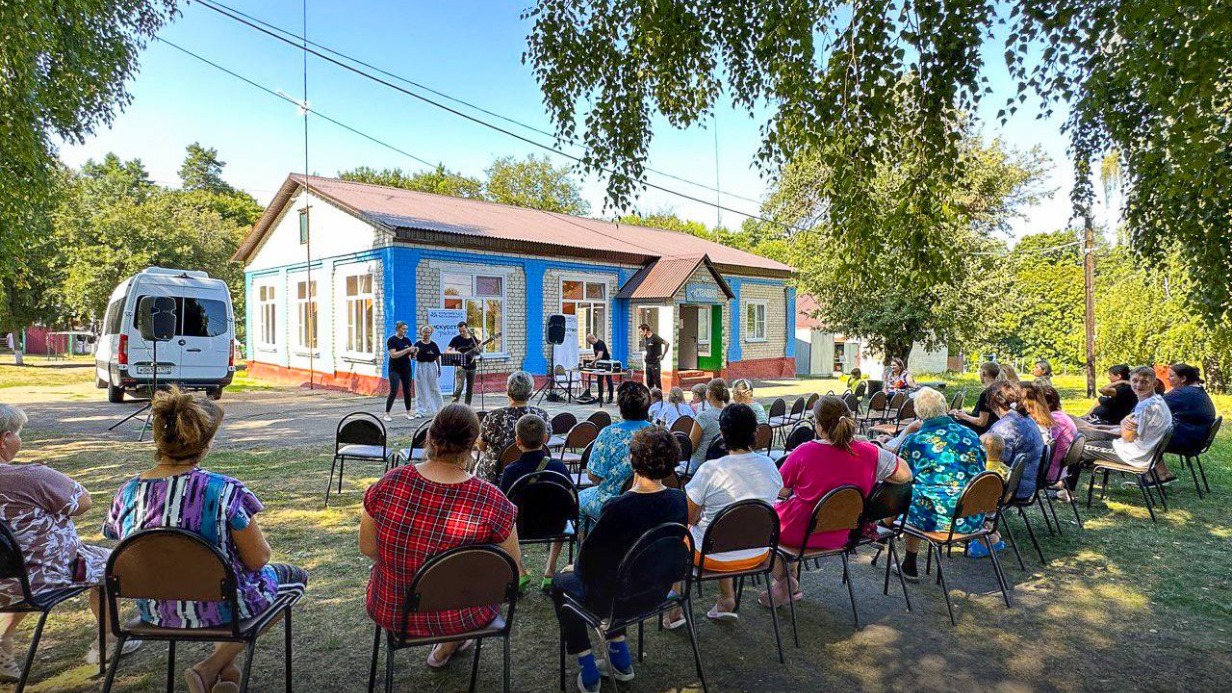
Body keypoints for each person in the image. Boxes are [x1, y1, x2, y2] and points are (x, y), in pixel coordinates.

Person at [105, 388, 306, 693]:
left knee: (226, 585)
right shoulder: (224, 491)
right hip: (221, 608)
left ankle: (228, 674)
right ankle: (210, 668)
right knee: (291, 579)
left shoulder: (127, 493)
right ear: (206, 443)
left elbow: (120, 542)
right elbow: (258, 560)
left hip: (157, 610)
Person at [361, 405, 522, 669]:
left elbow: (368, 548)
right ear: (473, 443)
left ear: (430, 436)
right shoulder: (492, 500)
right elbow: (510, 570)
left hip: (394, 607)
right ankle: (449, 644)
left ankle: (446, 647)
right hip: (463, 616)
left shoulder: (390, 482)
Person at [0, 405, 141, 682]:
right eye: (18, 433)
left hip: (7, 580)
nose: (19, 439)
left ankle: (2, 641)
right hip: (38, 579)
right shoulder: (30, 477)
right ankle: (110, 639)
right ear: (5, 439)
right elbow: (83, 502)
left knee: (16, 565)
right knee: (110, 564)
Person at [550, 427, 687, 693]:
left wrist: (573, 568)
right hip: (656, 592)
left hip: (618, 599)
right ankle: (620, 658)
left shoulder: (618, 507)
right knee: (613, 578)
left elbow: (588, 565)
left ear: (632, 460)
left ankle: (588, 669)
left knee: (560, 584)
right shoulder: (679, 500)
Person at [760, 396, 912, 605]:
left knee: (760, 528)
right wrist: (877, 455)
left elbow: (780, 490)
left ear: (819, 425)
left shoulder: (804, 451)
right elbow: (906, 474)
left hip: (800, 530)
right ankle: (788, 583)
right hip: (841, 533)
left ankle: (786, 580)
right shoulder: (870, 452)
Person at [668, 404, 781, 622]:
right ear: (755, 431)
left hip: (711, 557)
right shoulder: (769, 466)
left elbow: (689, 518)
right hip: (758, 552)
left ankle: (675, 611)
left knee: (678, 536)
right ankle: (726, 598)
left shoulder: (710, 470)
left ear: (722, 433)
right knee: (723, 528)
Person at [885, 387, 986, 582]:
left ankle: (909, 562)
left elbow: (901, 476)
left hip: (937, 517)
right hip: (972, 515)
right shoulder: (971, 435)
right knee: (920, 491)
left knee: (908, 492)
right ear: (946, 407)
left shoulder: (916, 441)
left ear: (918, 415)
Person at [499, 414, 572, 592]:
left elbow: (504, 505)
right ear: (545, 438)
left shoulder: (510, 471)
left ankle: (519, 570)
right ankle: (550, 570)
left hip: (520, 527)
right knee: (561, 514)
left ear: (517, 441)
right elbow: (570, 500)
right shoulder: (559, 467)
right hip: (556, 525)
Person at [1079, 366, 1174, 484]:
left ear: (1154, 384)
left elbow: (1127, 436)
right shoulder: (1155, 401)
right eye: (1135, 381)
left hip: (1132, 455)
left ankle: (1064, 487)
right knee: (1082, 434)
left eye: (1144, 382)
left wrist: (1123, 423)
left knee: (1077, 447)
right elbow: (1132, 430)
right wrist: (1098, 427)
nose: (1138, 385)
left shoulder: (1147, 407)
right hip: (1134, 449)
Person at [578, 382, 655, 522]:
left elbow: (594, 476)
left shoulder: (609, 433)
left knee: (577, 500)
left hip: (614, 501)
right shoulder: (658, 433)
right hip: (650, 500)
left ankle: (589, 537)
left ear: (620, 406)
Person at [476, 371, 551, 484]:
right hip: (534, 474)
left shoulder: (494, 416)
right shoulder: (542, 415)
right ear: (531, 391)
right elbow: (544, 442)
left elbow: (482, 446)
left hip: (496, 477)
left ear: (508, 390)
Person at [984, 380, 1045, 506]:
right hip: (1027, 483)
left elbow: (989, 461)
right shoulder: (1026, 419)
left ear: (995, 402)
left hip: (1013, 489)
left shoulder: (1005, 428)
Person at [1163, 363, 1217, 457]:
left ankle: (1154, 465)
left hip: (1187, 442)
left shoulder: (1183, 393)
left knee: (1144, 435)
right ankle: (1156, 465)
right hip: (1196, 439)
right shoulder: (1197, 390)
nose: (1168, 378)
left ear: (1183, 378)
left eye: (1171, 376)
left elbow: (1153, 406)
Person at [1038, 384, 1078, 499]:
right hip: (1059, 469)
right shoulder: (1060, 416)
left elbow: (1043, 446)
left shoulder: (1055, 419)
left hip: (1049, 472)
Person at [686, 379, 730, 475]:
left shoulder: (703, 416)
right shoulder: (732, 413)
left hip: (701, 465)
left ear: (709, 394)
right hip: (725, 462)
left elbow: (691, 447)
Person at [951, 361, 1001, 435]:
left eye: (980, 372)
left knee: (950, 420)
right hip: (994, 426)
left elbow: (982, 422)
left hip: (983, 431)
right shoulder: (999, 389)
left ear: (983, 373)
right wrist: (964, 413)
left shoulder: (986, 394)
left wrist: (964, 416)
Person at [385, 321, 416, 421]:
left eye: (406, 329)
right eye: (403, 329)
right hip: (394, 369)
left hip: (406, 369)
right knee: (394, 390)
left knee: (407, 390)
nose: (405, 331)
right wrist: (407, 350)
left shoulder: (407, 340)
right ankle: (387, 414)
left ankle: (408, 412)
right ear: (398, 329)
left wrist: (415, 352)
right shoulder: (391, 340)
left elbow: (412, 357)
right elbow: (393, 355)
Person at [412, 324, 443, 418]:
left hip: (431, 367)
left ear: (431, 333)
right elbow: (412, 357)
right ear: (421, 333)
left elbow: (437, 357)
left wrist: (439, 368)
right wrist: (414, 353)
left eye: (428, 332)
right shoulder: (417, 344)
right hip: (420, 366)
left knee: (434, 387)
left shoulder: (433, 345)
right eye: (424, 332)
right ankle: (420, 411)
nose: (426, 334)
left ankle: (438, 409)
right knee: (420, 388)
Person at [446, 322, 480, 405]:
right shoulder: (456, 339)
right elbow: (447, 351)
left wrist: (478, 349)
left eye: (463, 331)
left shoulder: (473, 338)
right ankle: (454, 405)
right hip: (461, 366)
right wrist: (456, 353)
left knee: (470, 389)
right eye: (460, 331)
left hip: (472, 366)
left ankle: (467, 406)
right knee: (459, 388)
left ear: (467, 329)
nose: (461, 333)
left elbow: (478, 352)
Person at [583, 334, 615, 405]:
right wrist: (594, 363)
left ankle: (611, 397)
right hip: (600, 364)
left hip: (607, 364)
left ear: (592, 338)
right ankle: (600, 397)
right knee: (599, 380)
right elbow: (597, 356)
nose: (590, 343)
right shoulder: (594, 345)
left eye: (590, 341)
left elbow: (600, 355)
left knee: (609, 380)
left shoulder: (601, 344)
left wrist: (593, 362)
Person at [638, 323, 669, 391]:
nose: (640, 333)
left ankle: (659, 395)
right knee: (649, 382)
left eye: (641, 331)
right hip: (648, 363)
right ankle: (652, 395)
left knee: (657, 382)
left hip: (655, 364)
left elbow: (667, 344)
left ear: (645, 330)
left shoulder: (655, 337)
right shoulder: (646, 337)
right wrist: (646, 354)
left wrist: (663, 355)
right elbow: (650, 349)